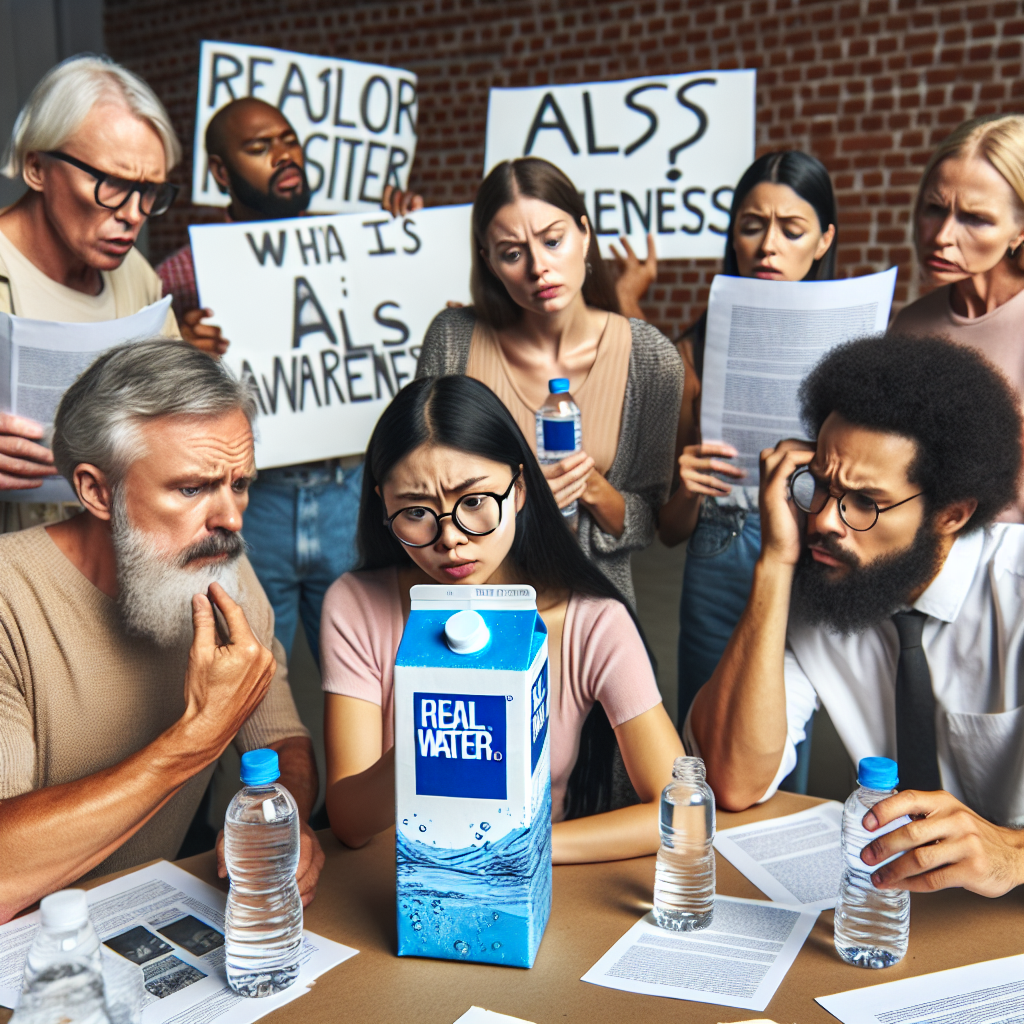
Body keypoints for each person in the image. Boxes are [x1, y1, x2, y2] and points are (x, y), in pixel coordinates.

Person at [688, 333, 1024, 897]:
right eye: (818, 485)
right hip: (881, 908)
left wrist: (1011, 853)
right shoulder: (824, 588)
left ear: (952, 513)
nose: (824, 520)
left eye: (865, 502)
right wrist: (774, 562)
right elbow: (731, 782)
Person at [0, 340, 324, 923]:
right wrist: (195, 738)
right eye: (192, 488)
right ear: (98, 491)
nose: (231, 519)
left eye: (240, 483)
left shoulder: (226, 570)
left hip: (150, 928)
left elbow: (282, 741)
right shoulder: (8, 598)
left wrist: (286, 822)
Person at [321, 375, 684, 862]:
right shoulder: (357, 605)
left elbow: (678, 809)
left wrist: (517, 846)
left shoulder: (592, 622)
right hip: (392, 887)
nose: (450, 538)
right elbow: (348, 821)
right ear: (382, 504)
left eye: (474, 502)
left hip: (521, 889)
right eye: (415, 512)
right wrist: (435, 735)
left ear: (518, 489)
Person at [415, 158, 681, 603]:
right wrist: (514, 498)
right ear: (489, 262)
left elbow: (645, 521)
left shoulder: (651, 359)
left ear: (584, 233)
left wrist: (592, 487)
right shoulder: (453, 338)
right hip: (476, 608)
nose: (538, 267)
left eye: (553, 240)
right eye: (512, 253)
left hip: (595, 610)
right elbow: (416, 484)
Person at [156, 96, 363, 665]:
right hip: (252, 505)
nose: (283, 154)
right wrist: (176, 345)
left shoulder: (358, 246)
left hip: (350, 494)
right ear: (221, 172)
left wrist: (407, 233)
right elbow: (137, 386)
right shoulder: (180, 276)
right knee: (249, 680)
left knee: (372, 684)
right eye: (259, 147)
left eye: (288, 140)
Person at [658, 151, 838, 786]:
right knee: (702, 751)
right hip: (719, 544)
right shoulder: (692, 349)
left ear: (823, 241)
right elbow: (672, 528)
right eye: (751, 224)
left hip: (814, 552)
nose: (767, 246)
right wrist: (684, 485)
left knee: (778, 746)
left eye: (792, 229)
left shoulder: (854, 346)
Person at [0, 54, 182, 526]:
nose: (133, 214)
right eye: (110, 184)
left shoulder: (137, 275)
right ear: (36, 167)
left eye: (150, 192)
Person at [889, 114, 1024, 520]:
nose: (943, 236)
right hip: (925, 554)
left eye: (975, 218)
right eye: (934, 208)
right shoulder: (910, 325)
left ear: (1019, 231)